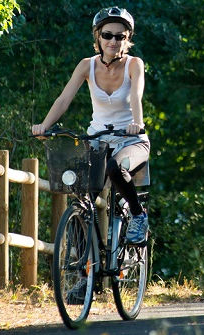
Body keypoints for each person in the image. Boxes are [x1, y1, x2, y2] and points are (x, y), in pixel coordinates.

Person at [31, 7, 150, 245]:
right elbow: (64, 99)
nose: (113, 41)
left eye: (120, 36)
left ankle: (138, 215)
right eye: (107, 35)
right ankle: (85, 268)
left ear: (127, 39)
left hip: (131, 141)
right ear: (98, 36)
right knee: (82, 195)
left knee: (115, 169)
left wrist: (137, 123)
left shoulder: (134, 64)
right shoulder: (87, 65)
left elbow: (136, 96)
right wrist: (44, 126)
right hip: (98, 140)